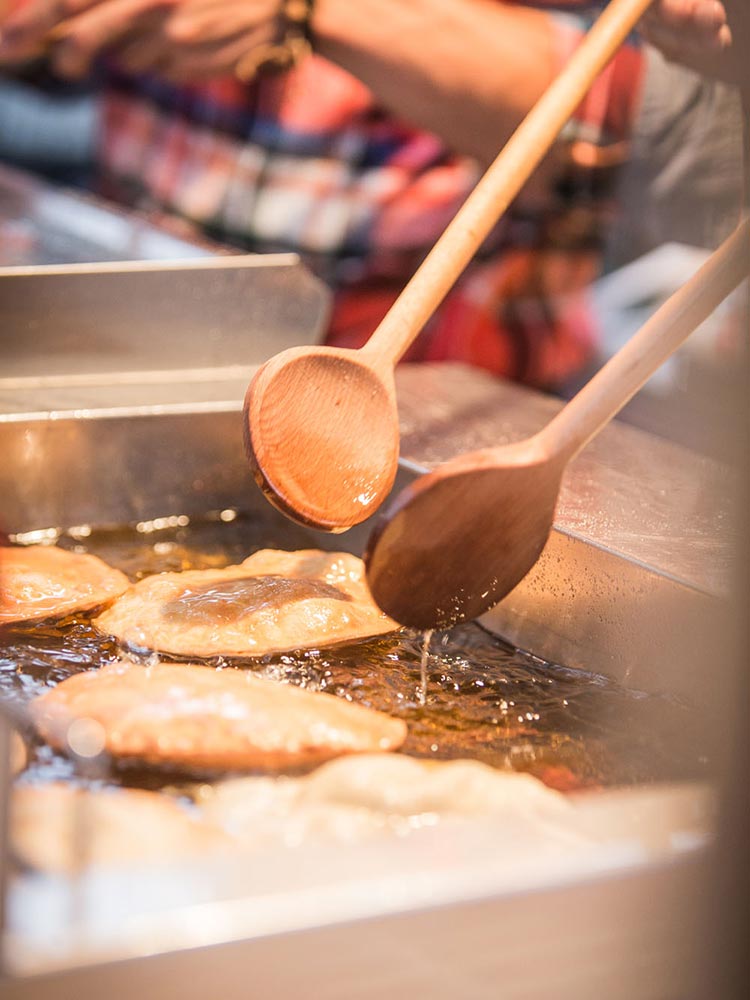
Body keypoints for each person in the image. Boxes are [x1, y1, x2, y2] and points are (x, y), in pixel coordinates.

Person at [0, 1, 743, 387]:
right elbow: (47, 68)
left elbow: (675, 136)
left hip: (443, 398)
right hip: (154, 357)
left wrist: (316, 8)